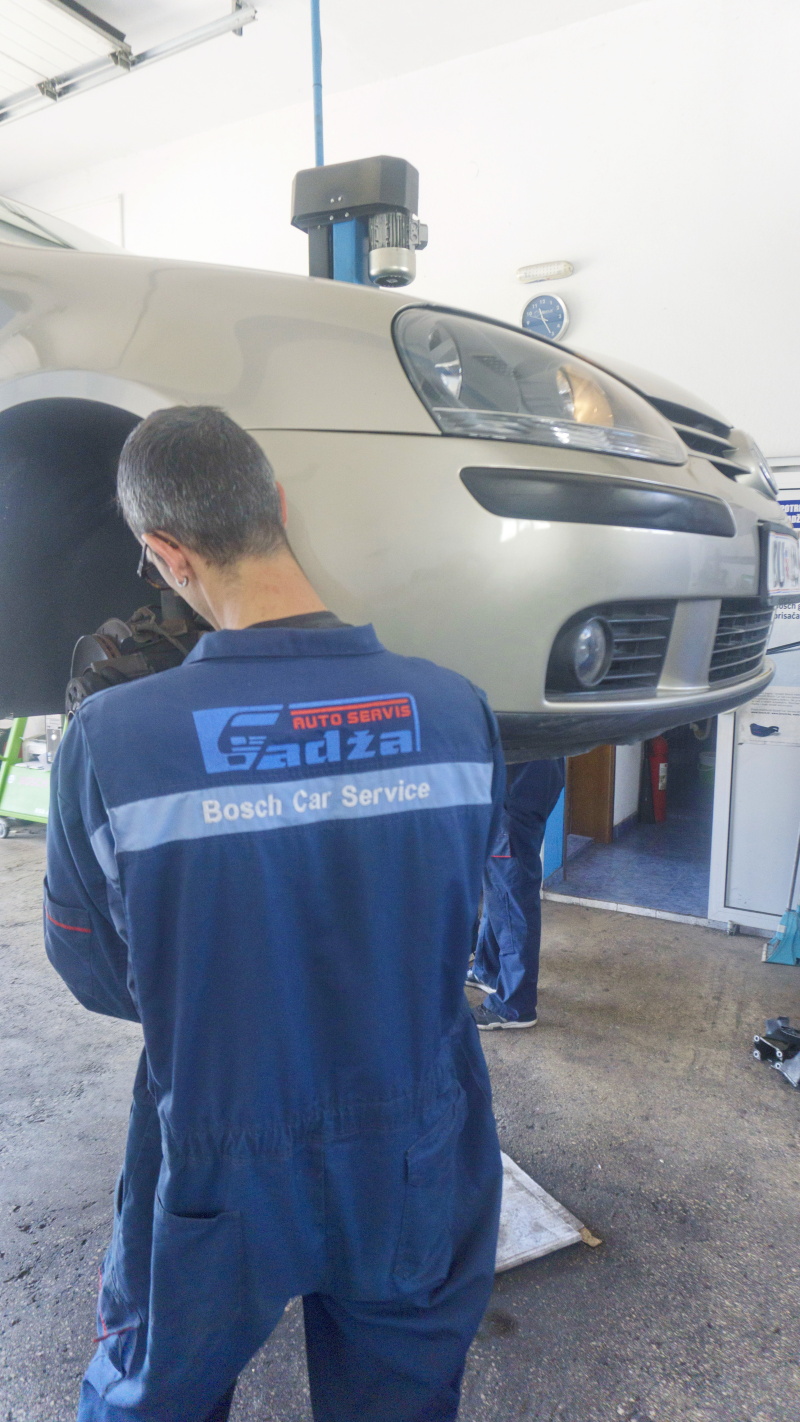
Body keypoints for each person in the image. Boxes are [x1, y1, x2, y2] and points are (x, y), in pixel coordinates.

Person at [44, 407, 505, 1422]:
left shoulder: (112, 738)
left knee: (155, 1398)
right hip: (413, 1142)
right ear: (278, 508)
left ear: (166, 554)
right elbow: (463, 917)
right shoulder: (455, 709)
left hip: (216, 1144)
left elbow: (93, 968)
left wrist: (211, 987)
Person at [468, 758, 565, 1030]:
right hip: (528, 778)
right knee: (499, 884)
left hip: (514, 788)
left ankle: (514, 1005)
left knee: (511, 894)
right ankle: (488, 970)